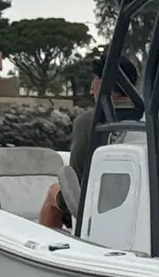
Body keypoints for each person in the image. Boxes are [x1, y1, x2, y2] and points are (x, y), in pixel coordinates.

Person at [38, 55, 139, 230]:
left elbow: (77, 182)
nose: (91, 87)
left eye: (95, 79)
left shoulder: (88, 121)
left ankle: (49, 249)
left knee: (52, 192)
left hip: (97, 211)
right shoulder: (149, 119)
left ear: (102, 83)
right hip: (136, 207)